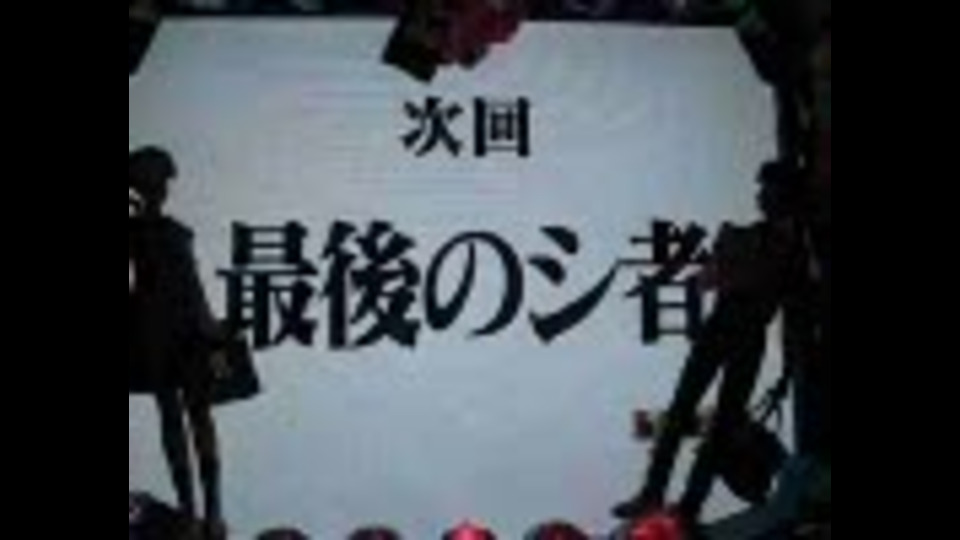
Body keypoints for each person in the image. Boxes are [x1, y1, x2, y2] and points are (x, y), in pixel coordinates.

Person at [129, 146, 225, 540]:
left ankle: (200, 512)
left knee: (183, 417)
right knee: (189, 417)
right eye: (161, 182)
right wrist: (211, 329)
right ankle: (200, 512)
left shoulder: (161, 231)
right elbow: (191, 287)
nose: (165, 189)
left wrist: (210, 328)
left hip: (166, 331)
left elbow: (192, 286)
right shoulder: (156, 233)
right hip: (170, 332)